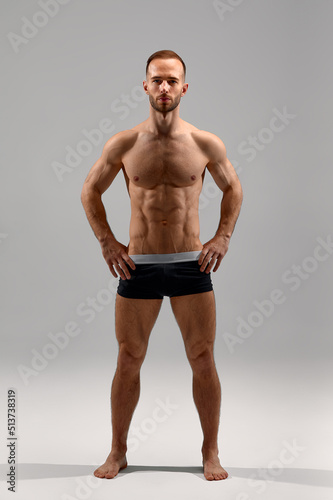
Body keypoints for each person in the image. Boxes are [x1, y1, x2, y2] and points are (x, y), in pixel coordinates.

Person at [81, 49, 243, 481]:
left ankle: (210, 451)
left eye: (173, 80)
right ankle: (118, 451)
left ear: (184, 87)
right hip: (140, 265)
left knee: (203, 358)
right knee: (129, 358)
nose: (165, 87)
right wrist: (107, 242)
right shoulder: (125, 143)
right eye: (158, 80)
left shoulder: (205, 143)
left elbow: (234, 188)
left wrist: (223, 236)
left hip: (192, 262)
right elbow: (89, 191)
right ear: (146, 86)